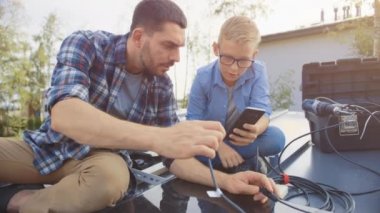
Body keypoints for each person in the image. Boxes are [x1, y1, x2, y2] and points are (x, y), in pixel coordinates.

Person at [0, 1, 226, 212]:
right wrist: (159, 138)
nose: (176, 57)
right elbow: (65, 114)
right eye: (168, 45)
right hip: (48, 148)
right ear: (138, 37)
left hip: (101, 163)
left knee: (112, 180)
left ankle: (21, 201)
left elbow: (174, 157)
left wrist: (228, 181)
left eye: (180, 48)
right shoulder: (87, 44)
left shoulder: (162, 86)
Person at [165, 16, 284, 203]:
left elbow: (264, 110)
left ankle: (233, 161)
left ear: (254, 56)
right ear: (216, 49)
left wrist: (256, 130)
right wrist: (220, 147)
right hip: (211, 142)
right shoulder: (203, 77)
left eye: (243, 60)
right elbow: (193, 121)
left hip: (242, 140)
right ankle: (242, 162)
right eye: (227, 58)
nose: (234, 69)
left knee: (276, 138)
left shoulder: (258, 71)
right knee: (189, 151)